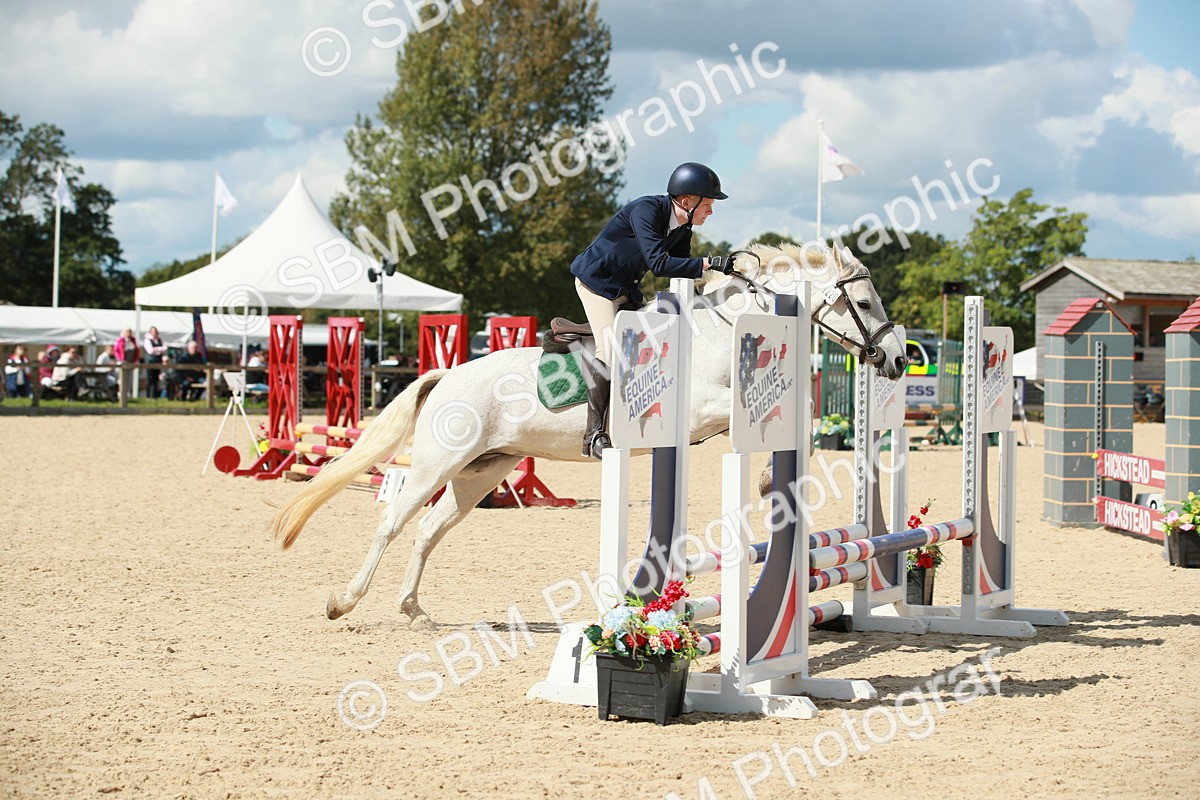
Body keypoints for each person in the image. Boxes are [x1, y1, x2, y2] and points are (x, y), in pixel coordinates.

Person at [568, 161, 734, 459]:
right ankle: (594, 435)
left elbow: (682, 274)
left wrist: (720, 281)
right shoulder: (646, 210)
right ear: (687, 201)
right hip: (597, 285)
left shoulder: (683, 229)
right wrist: (708, 263)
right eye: (708, 204)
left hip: (626, 289)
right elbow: (659, 264)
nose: (711, 211)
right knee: (610, 351)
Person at [142, 326, 167, 399]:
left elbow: (165, 348)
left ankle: (154, 396)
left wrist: (156, 349)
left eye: (155, 332)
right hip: (150, 362)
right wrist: (160, 349)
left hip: (158, 361)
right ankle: (148, 396)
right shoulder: (147, 340)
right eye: (153, 331)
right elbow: (150, 351)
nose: (154, 333)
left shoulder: (159, 340)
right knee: (150, 379)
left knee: (156, 379)